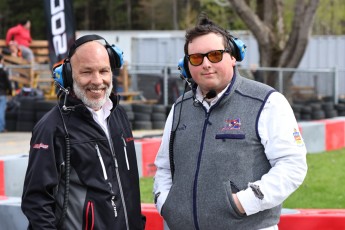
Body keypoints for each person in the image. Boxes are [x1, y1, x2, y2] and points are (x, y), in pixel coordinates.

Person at [153, 15, 307, 230]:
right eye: (196, 58)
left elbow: (292, 165)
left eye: (215, 55)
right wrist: (166, 204)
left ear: (233, 57)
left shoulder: (267, 101)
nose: (206, 64)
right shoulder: (180, 107)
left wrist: (242, 203)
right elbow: (164, 167)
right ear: (187, 65)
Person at [21, 35, 145, 229]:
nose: (97, 81)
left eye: (104, 71)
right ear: (69, 75)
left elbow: (128, 186)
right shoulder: (51, 127)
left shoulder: (119, 116)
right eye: (87, 72)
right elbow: (36, 203)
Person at [0, 54, 12, 132]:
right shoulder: (3, 71)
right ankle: (1, 127)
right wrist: (10, 91)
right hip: (2, 93)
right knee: (1, 111)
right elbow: (8, 82)